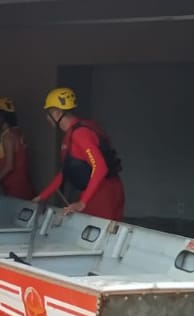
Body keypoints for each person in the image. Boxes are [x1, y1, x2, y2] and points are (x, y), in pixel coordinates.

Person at [33, 86, 125, 220]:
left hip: (102, 194)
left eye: (49, 113)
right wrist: (42, 196)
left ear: (58, 113)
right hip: (96, 192)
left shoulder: (80, 133)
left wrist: (83, 202)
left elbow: (100, 167)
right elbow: (66, 171)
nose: (47, 118)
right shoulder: (72, 134)